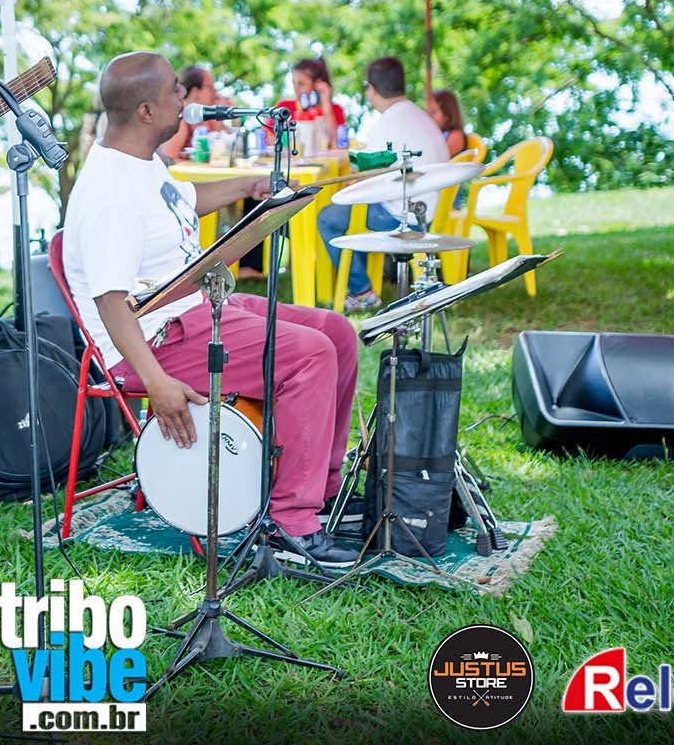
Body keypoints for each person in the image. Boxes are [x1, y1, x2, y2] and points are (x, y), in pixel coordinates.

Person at [63, 51, 361, 566]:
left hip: (191, 308)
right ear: (146, 112)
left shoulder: (140, 161)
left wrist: (251, 186)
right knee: (310, 354)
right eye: (173, 90)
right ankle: (290, 523)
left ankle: (323, 489)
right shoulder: (110, 194)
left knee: (337, 333)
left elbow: (182, 200)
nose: (184, 96)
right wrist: (156, 383)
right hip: (154, 339)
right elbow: (110, 303)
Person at [318, 57, 449, 313]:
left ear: (371, 89)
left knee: (328, 218)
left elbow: (368, 176)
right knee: (349, 214)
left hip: (403, 216)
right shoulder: (419, 116)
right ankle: (362, 284)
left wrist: (352, 179)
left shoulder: (388, 122)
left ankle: (362, 292)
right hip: (429, 209)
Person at [158, 64, 227, 158]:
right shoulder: (180, 120)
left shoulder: (208, 120)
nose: (216, 93)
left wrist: (226, 116)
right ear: (196, 92)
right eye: (211, 87)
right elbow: (169, 159)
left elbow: (227, 147)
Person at [276, 57, 346, 147]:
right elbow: (269, 141)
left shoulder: (335, 110)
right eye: (294, 83)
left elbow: (337, 143)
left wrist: (326, 104)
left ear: (318, 84)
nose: (296, 89)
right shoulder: (284, 108)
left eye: (301, 84)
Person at [426, 89, 468, 157]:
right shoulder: (437, 135)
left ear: (447, 115)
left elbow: (436, 158)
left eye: (433, 112)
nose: (428, 116)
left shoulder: (456, 135)